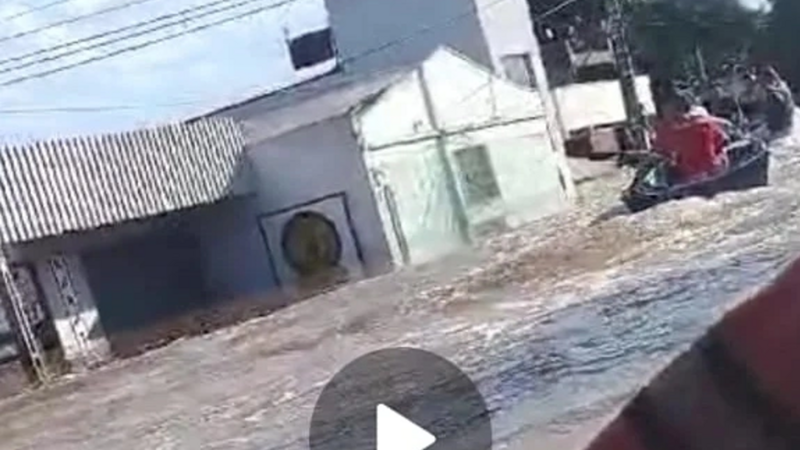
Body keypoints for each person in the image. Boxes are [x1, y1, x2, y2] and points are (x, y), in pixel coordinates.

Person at [651, 92, 729, 183]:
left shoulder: (666, 130)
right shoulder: (705, 122)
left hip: (690, 176)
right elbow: (722, 141)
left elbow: (659, 152)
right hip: (715, 170)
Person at [756, 65, 794, 135]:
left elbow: (780, 99)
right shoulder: (779, 85)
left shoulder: (779, 89)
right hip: (772, 126)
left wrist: (770, 90)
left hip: (781, 130)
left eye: (762, 79)